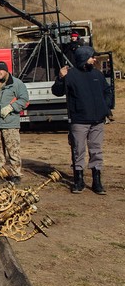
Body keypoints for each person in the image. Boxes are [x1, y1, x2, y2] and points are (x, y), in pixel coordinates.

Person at [52, 46, 112, 194]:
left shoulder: (97, 74)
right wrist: (60, 78)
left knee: (96, 150)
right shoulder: (70, 75)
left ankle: (97, 181)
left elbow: (107, 91)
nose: (95, 59)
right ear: (84, 58)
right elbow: (57, 92)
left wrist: (105, 107)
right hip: (79, 121)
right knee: (78, 150)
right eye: (92, 57)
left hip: (97, 120)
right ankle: (78, 180)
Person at [0, 61, 29, 184]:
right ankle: (1, 174)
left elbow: (24, 100)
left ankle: (16, 174)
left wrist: (11, 107)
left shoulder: (16, 84)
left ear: (6, 70)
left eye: (0, 70)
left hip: (10, 123)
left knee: (13, 151)